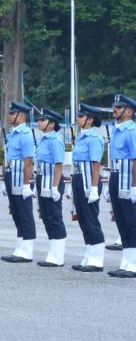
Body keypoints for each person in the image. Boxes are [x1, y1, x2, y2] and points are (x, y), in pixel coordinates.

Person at [71, 103, 106, 272]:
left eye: (80, 116)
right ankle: (89, 254)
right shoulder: (81, 136)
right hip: (79, 179)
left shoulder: (94, 138)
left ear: (90, 120)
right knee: (83, 220)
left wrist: (93, 188)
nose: (77, 119)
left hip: (89, 181)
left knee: (91, 219)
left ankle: (97, 259)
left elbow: (96, 165)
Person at [0, 101, 36, 263]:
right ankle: (20, 246)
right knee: (16, 212)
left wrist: (27, 184)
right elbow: (6, 157)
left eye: (12, 114)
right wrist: (3, 179)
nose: (9, 116)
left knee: (25, 213)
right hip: (11, 175)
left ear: (21, 117)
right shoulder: (12, 133)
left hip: (22, 178)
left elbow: (28, 161)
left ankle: (27, 250)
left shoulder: (26, 134)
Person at [107, 94, 136, 278]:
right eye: (114, 106)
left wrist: (135, 186)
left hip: (128, 178)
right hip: (116, 176)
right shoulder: (117, 129)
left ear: (130, 111)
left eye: (119, 107)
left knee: (132, 222)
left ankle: (133, 264)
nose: (115, 110)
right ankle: (126, 261)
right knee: (122, 222)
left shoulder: (132, 131)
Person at [35, 108, 67, 267]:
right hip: (42, 179)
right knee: (46, 217)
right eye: (39, 119)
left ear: (52, 124)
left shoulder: (55, 140)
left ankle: (58, 256)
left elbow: (59, 165)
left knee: (55, 217)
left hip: (52, 181)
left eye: (43, 120)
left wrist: (55, 187)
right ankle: (52, 252)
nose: (39, 122)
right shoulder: (44, 139)